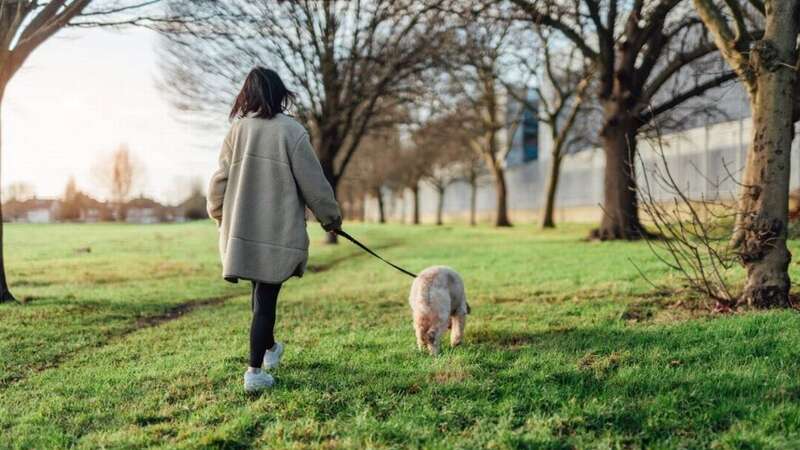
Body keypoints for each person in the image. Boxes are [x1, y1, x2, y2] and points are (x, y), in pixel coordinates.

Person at [207, 67, 342, 393]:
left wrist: (219, 214)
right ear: (279, 93)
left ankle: (270, 350)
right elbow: (314, 183)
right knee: (265, 300)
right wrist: (330, 217)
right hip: (277, 232)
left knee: (260, 297)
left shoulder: (236, 132)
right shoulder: (291, 131)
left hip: (242, 231)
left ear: (247, 95)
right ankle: (254, 372)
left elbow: (217, 183)